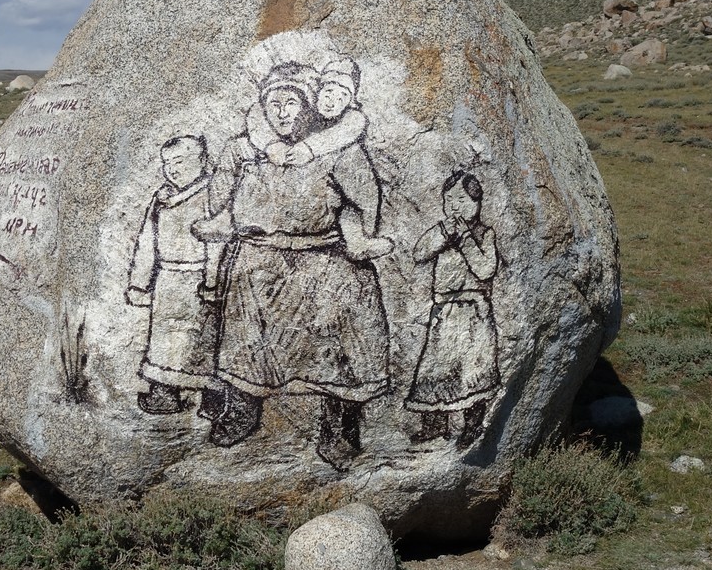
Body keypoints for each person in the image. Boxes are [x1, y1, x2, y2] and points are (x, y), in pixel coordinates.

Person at [196, 61, 391, 469]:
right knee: (245, 310)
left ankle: (341, 422)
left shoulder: (339, 150)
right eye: (274, 103)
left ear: (308, 106)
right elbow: (220, 197)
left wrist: (358, 233)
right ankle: (242, 408)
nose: (282, 112)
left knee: (349, 300)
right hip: (260, 255)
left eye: (292, 102)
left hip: (323, 254)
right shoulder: (243, 149)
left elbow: (366, 198)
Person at [239, 55, 392, 260]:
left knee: (352, 202)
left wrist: (311, 148)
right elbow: (256, 113)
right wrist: (271, 145)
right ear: (317, 93)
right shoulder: (257, 135)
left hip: (324, 249)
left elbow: (355, 125)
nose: (332, 103)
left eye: (342, 97)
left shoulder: (346, 132)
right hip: (259, 249)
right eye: (328, 93)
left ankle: (358, 240)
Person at [125, 134, 220, 415]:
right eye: (167, 163)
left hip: (200, 279)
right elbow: (146, 243)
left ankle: (213, 399)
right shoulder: (161, 198)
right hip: (167, 279)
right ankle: (164, 392)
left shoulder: (213, 194)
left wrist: (214, 281)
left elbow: (218, 241)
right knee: (164, 340)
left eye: (180, 161)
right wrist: (139, 283)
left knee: (204, 340)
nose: (173, 169)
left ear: (202, 161)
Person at [405, 170, 499, 448]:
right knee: (436, 368)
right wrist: (444, 234)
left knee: (473, 370)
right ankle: (434, 424)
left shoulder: (485, 234)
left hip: (474, 310)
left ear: (477, 202)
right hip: (444, 309)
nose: (453, 207)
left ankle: (472, 425)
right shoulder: (443, 230)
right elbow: (419, 253)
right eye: (448, 200)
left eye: (460, 199)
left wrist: (467, 240)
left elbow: (485, 269)